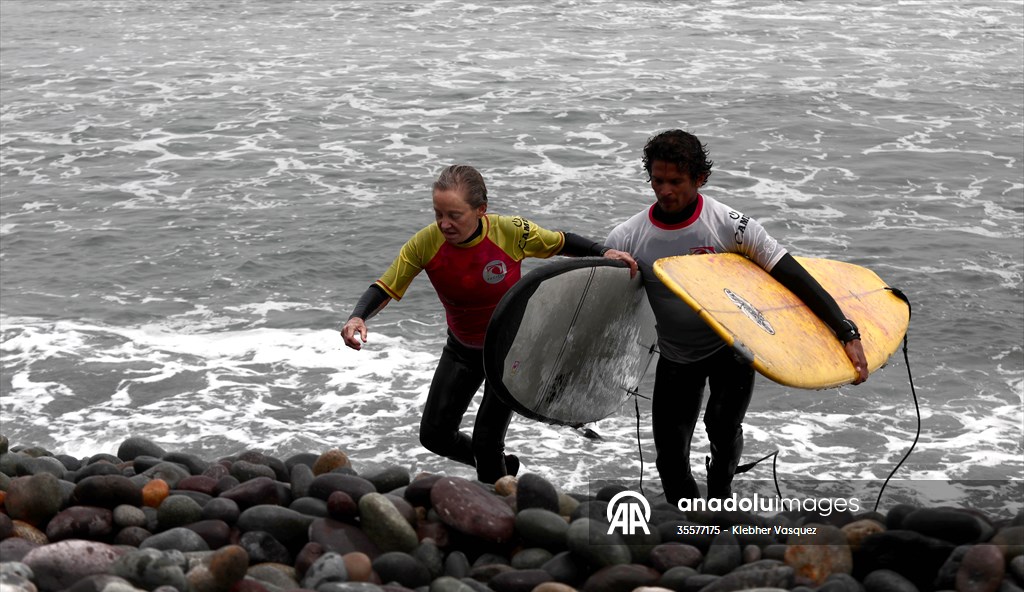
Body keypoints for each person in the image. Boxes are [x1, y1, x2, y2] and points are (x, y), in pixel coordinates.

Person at [605, 130, 868, 505]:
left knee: (723, 428)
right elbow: (598, 297)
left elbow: (791, 276)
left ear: (700, 179)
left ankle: (721, 496)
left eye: (676, 182)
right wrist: (609, 261)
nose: (665, 191)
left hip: (731, 349)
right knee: (668, 455)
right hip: (677, 356)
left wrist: (845, 331)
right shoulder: (630, 236)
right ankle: (692, 522)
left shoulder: (730, 225)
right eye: (657, 180)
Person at [342, 164, 637, 484]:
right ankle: (501, 471)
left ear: (481, 210)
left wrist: (603, 251)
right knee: (435, 436)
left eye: (454, 215)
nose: (444, 223)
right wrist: (357, 317)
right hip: (461, 348)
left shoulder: (511, 231)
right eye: (438, 213)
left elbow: (560, 241)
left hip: (510, 351)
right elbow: (386, 286)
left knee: (486, 441)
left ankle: (496, 509)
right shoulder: (426, 243)